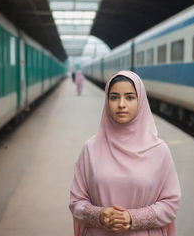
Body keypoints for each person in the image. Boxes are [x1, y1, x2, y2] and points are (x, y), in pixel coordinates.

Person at [69, 70, 181, 236]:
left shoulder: (158, 150)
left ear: (140, 101)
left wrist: (132, 218)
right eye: (114, 97)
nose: (121, 104)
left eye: (129, 97)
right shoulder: (90, 149)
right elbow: (76, 202)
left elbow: (171, 204)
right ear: (107, 101)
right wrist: (99, 215)